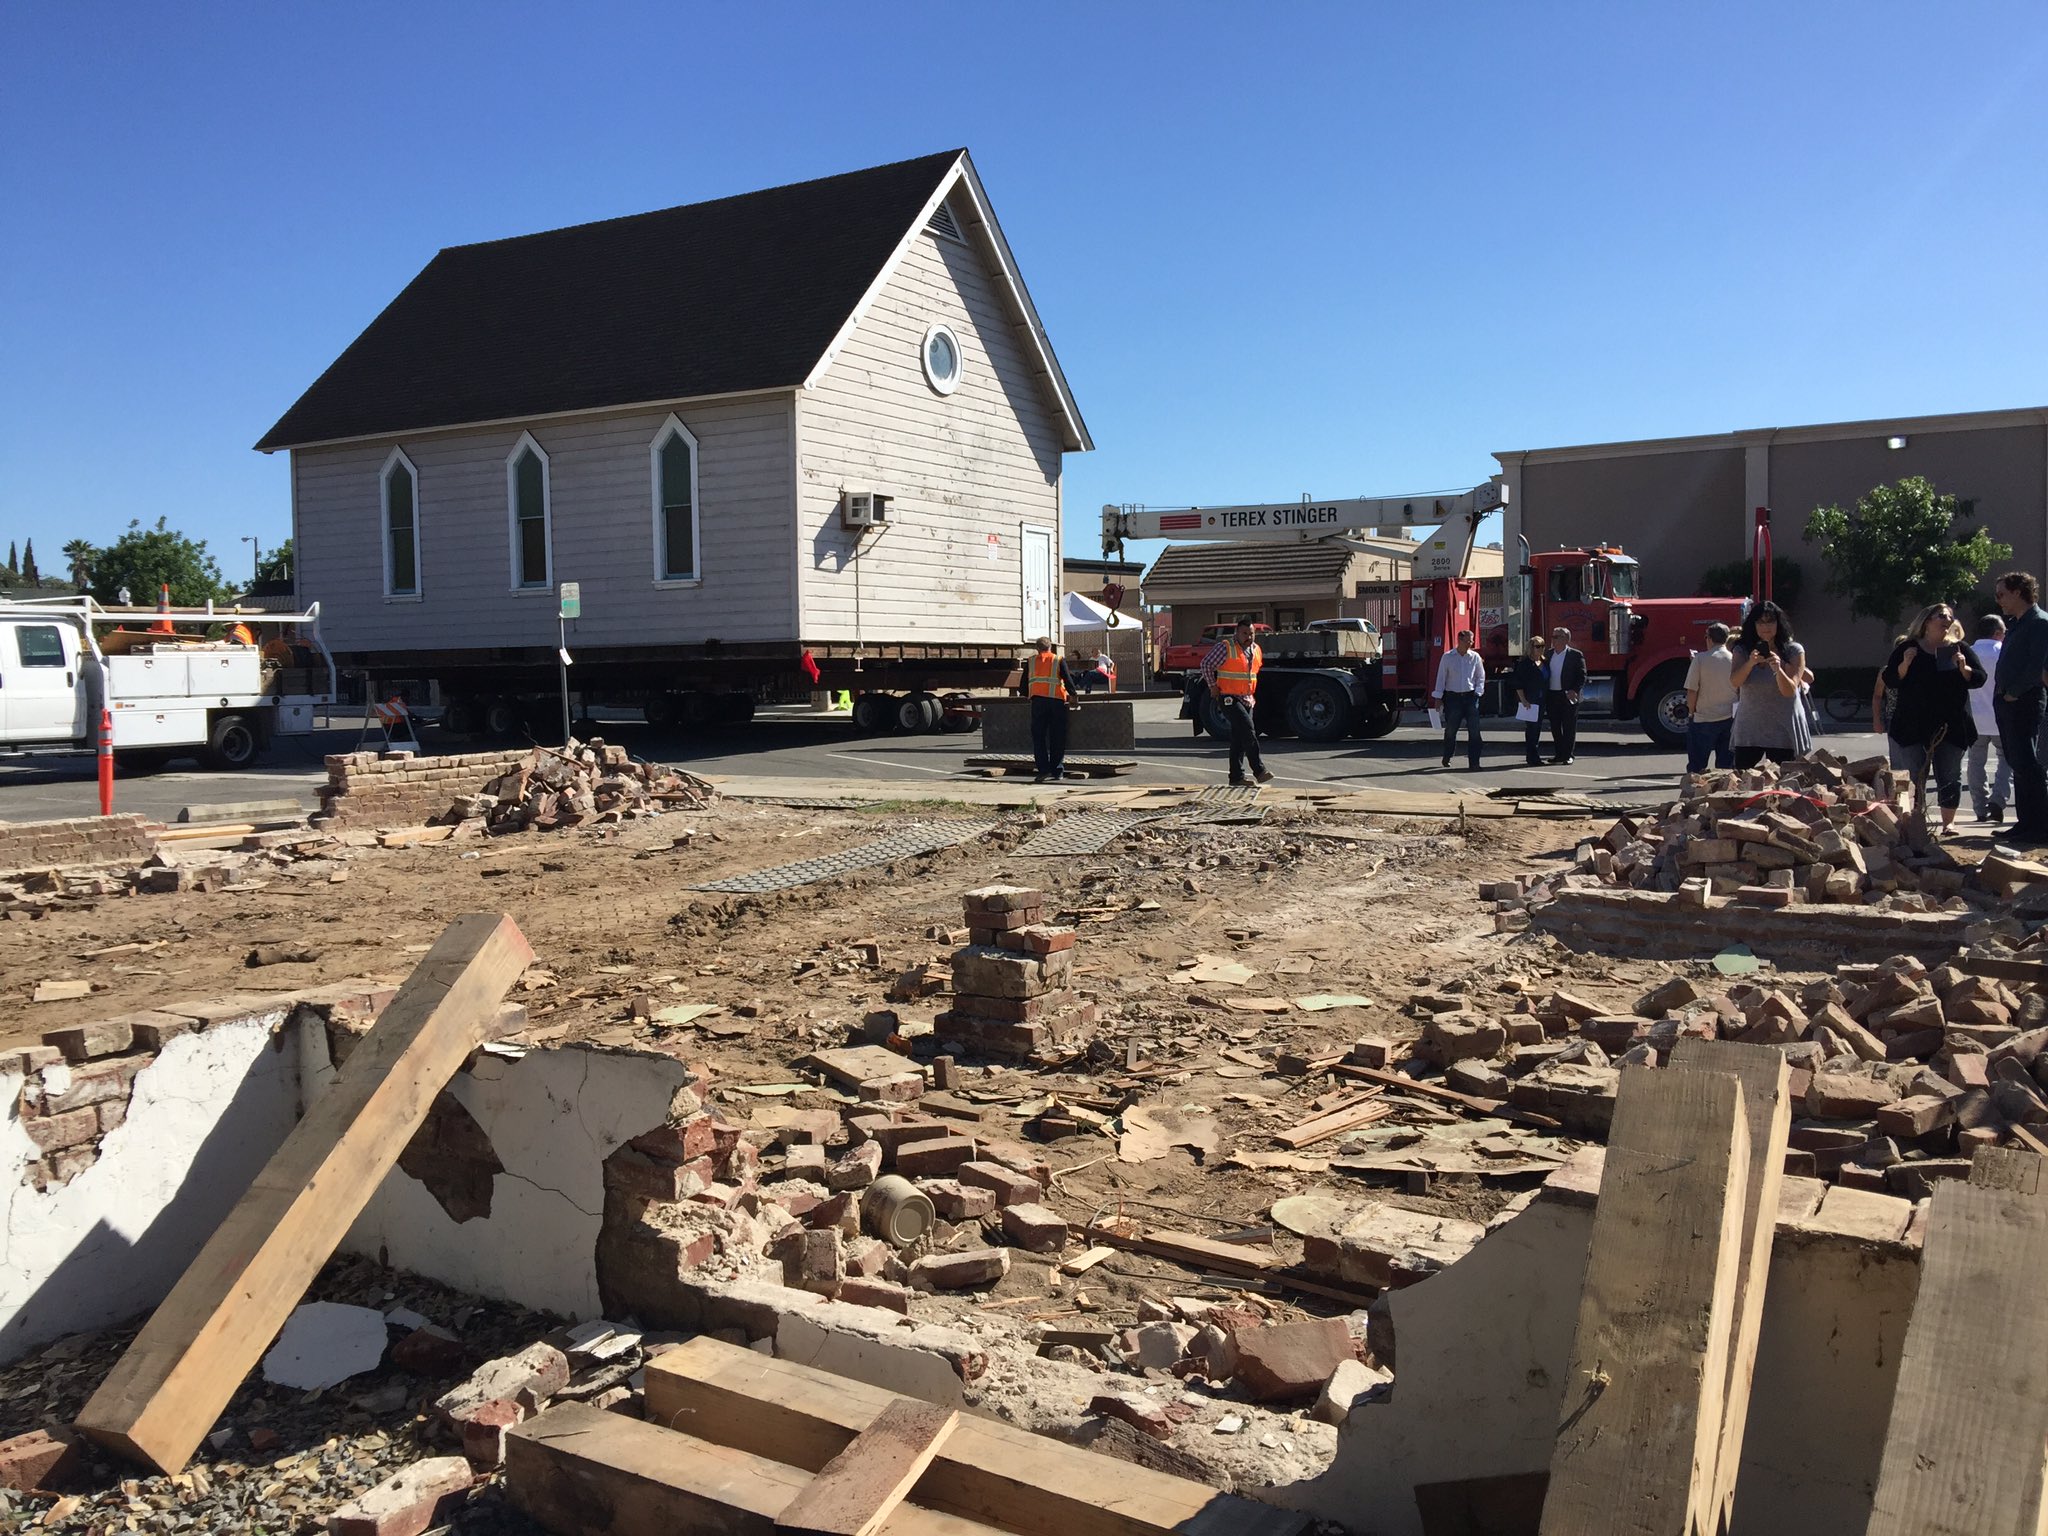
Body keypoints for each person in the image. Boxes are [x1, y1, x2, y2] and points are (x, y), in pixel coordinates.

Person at [1882, 603, 1986, 840]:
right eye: (1941, 615)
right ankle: (1914, 823)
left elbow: (1979, 678)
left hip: (1951, 724)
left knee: (1949, 775)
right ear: (1927, 621)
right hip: (1913, 724)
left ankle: (1948, 824)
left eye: (1950, 616)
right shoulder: (1908, 647)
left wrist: (1964, 667)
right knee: (1913, 776)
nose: (1947, 619)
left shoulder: (1959, 648)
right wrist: (1905, 665)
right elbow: (1890, 679)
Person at [1993, 571, 2048, 845]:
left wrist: (2014, 693)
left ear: (2017, 592)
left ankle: (2040, 826)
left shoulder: (2039, 622)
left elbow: (2036, 665)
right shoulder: (2016, 623)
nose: (1999, 600)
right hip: (2006, 701)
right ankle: (2025, 823)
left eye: (2002, 594)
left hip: (2024, 700)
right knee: (2016, 762)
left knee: (2028, 763)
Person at [1728, 601, 1807, 768]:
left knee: (1784, 779)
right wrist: (1750, 663)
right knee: (1744, 778)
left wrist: (1778, 668)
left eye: (1770, 621)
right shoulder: (1742, 650)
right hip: (1750, 727)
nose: (1766, 627)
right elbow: (1735, 681)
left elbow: (1789, 691)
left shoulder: (1793, 650)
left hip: (1783, 728)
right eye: (1760, 622)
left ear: (1779, 623)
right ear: (1753, 625)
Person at [1203, 621, 1275, 786]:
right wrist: (1212, 686)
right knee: (1248, 730)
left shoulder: (1256, 649)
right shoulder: (1225, 647)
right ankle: (1259, 770)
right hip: (1228, 696)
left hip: (1247, 698)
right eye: (1245, 633)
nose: (1249, 637)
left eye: (1251, 633)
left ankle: (1236, 778)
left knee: (1239, 738)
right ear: (1236, 633)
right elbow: (1206, 664)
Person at [1968, 614, 2009, 822]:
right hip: (2001, 716)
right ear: (1997, 633)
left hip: (1974, 718)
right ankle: (1998, 799)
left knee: (1975, 762)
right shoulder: (2004, 652)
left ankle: (1980, 807)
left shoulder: (1968, 652)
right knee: (2006, 760)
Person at [1682, 622, 1738, 774]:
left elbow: (1692, 690)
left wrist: (1691, 712)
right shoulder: (1734, 659)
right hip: (1729, 717)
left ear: (1709, 638)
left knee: (1697, 766)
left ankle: (1694, 788)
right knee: (1725, 767)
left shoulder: (1700, 659)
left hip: (1703, 718)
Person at [1023, 637, 1078, 784]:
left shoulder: (1031, 661)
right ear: (1050, 647)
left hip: (1038, 702)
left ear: (1037, 648)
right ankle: (1057, 770)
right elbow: (1067, 679)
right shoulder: (1057, 659)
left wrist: (1028, 695)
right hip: (1056, 702)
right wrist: (1073, 695)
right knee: (1057, 737)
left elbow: (1023, 684)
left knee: (1039, 737)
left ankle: (1043, 770)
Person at [1433, 628, 1487, 770]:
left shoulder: (1475, 657)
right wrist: (1438, 697)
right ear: (1460, 640)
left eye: (1472, 641)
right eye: (1468, 641)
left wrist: (1478, 692)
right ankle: (1447, 755)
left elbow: (1480, 676)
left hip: (1471, 697)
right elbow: (1441, 677)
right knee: (1451, 729)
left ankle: (1474, 762)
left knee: (1474, 731)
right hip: (1453, 698)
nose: (1471, 643)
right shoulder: (1448, 657)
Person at [1544, 626, 1587, 764]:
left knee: (1569, 726)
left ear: (1566, 639)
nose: (1553, 639)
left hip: (1568, 695)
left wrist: (1574, 690)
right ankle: (1559, 754)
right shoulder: (1548, 654)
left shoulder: (1575, 655)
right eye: (1553, 636)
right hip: (1552, 695)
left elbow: (1582, 675)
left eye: (1556, 637)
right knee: (1555, 726)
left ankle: (1568, 755)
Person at [1511, 635, 1550, 766]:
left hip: (1542, 699)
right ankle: (1532, 757)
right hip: (1530, 701)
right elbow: (1518, 684)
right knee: (1532, 729)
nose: (1541, 649)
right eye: (1538, 646)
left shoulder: (1544, 662)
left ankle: (1534, 755)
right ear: (1531, 648)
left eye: (1542, 646)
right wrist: (1523, 700)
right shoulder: (1525, 664)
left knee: (1537, 728)